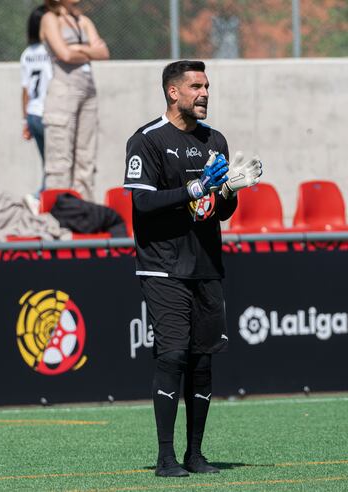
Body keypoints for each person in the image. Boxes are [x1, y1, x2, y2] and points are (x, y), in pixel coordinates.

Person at [124, 60, 262, 477]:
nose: (204, 93)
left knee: (202, 361)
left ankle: (195, 454)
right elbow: (142, 203)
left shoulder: (213, 139)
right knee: (172, 354)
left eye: (207, 86)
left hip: (205, 265)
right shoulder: (146, 140)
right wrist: (195, 187)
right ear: (173, 92)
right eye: (196, 86)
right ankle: (166, 458)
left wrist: (229, 192)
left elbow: (216, 212)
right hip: (163, 266)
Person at [40, 0, 109, 201]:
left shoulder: (83, 20)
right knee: (60, 159)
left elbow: (103, 53)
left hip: (88, 91)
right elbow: (64, 54)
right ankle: (58, 215)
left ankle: (84, 210)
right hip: (63, 92)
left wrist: (78, 48)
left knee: (86, 158)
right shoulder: (50, 18)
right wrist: (88, 49)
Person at [20, 4, 52, 200]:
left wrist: (25, 122)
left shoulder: (26, 54)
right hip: (47, 113)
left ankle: (40, 196)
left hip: (32, 114)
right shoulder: (51, 50)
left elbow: (25, 91)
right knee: (55, 165)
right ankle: (39, 198)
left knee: (47, 164)